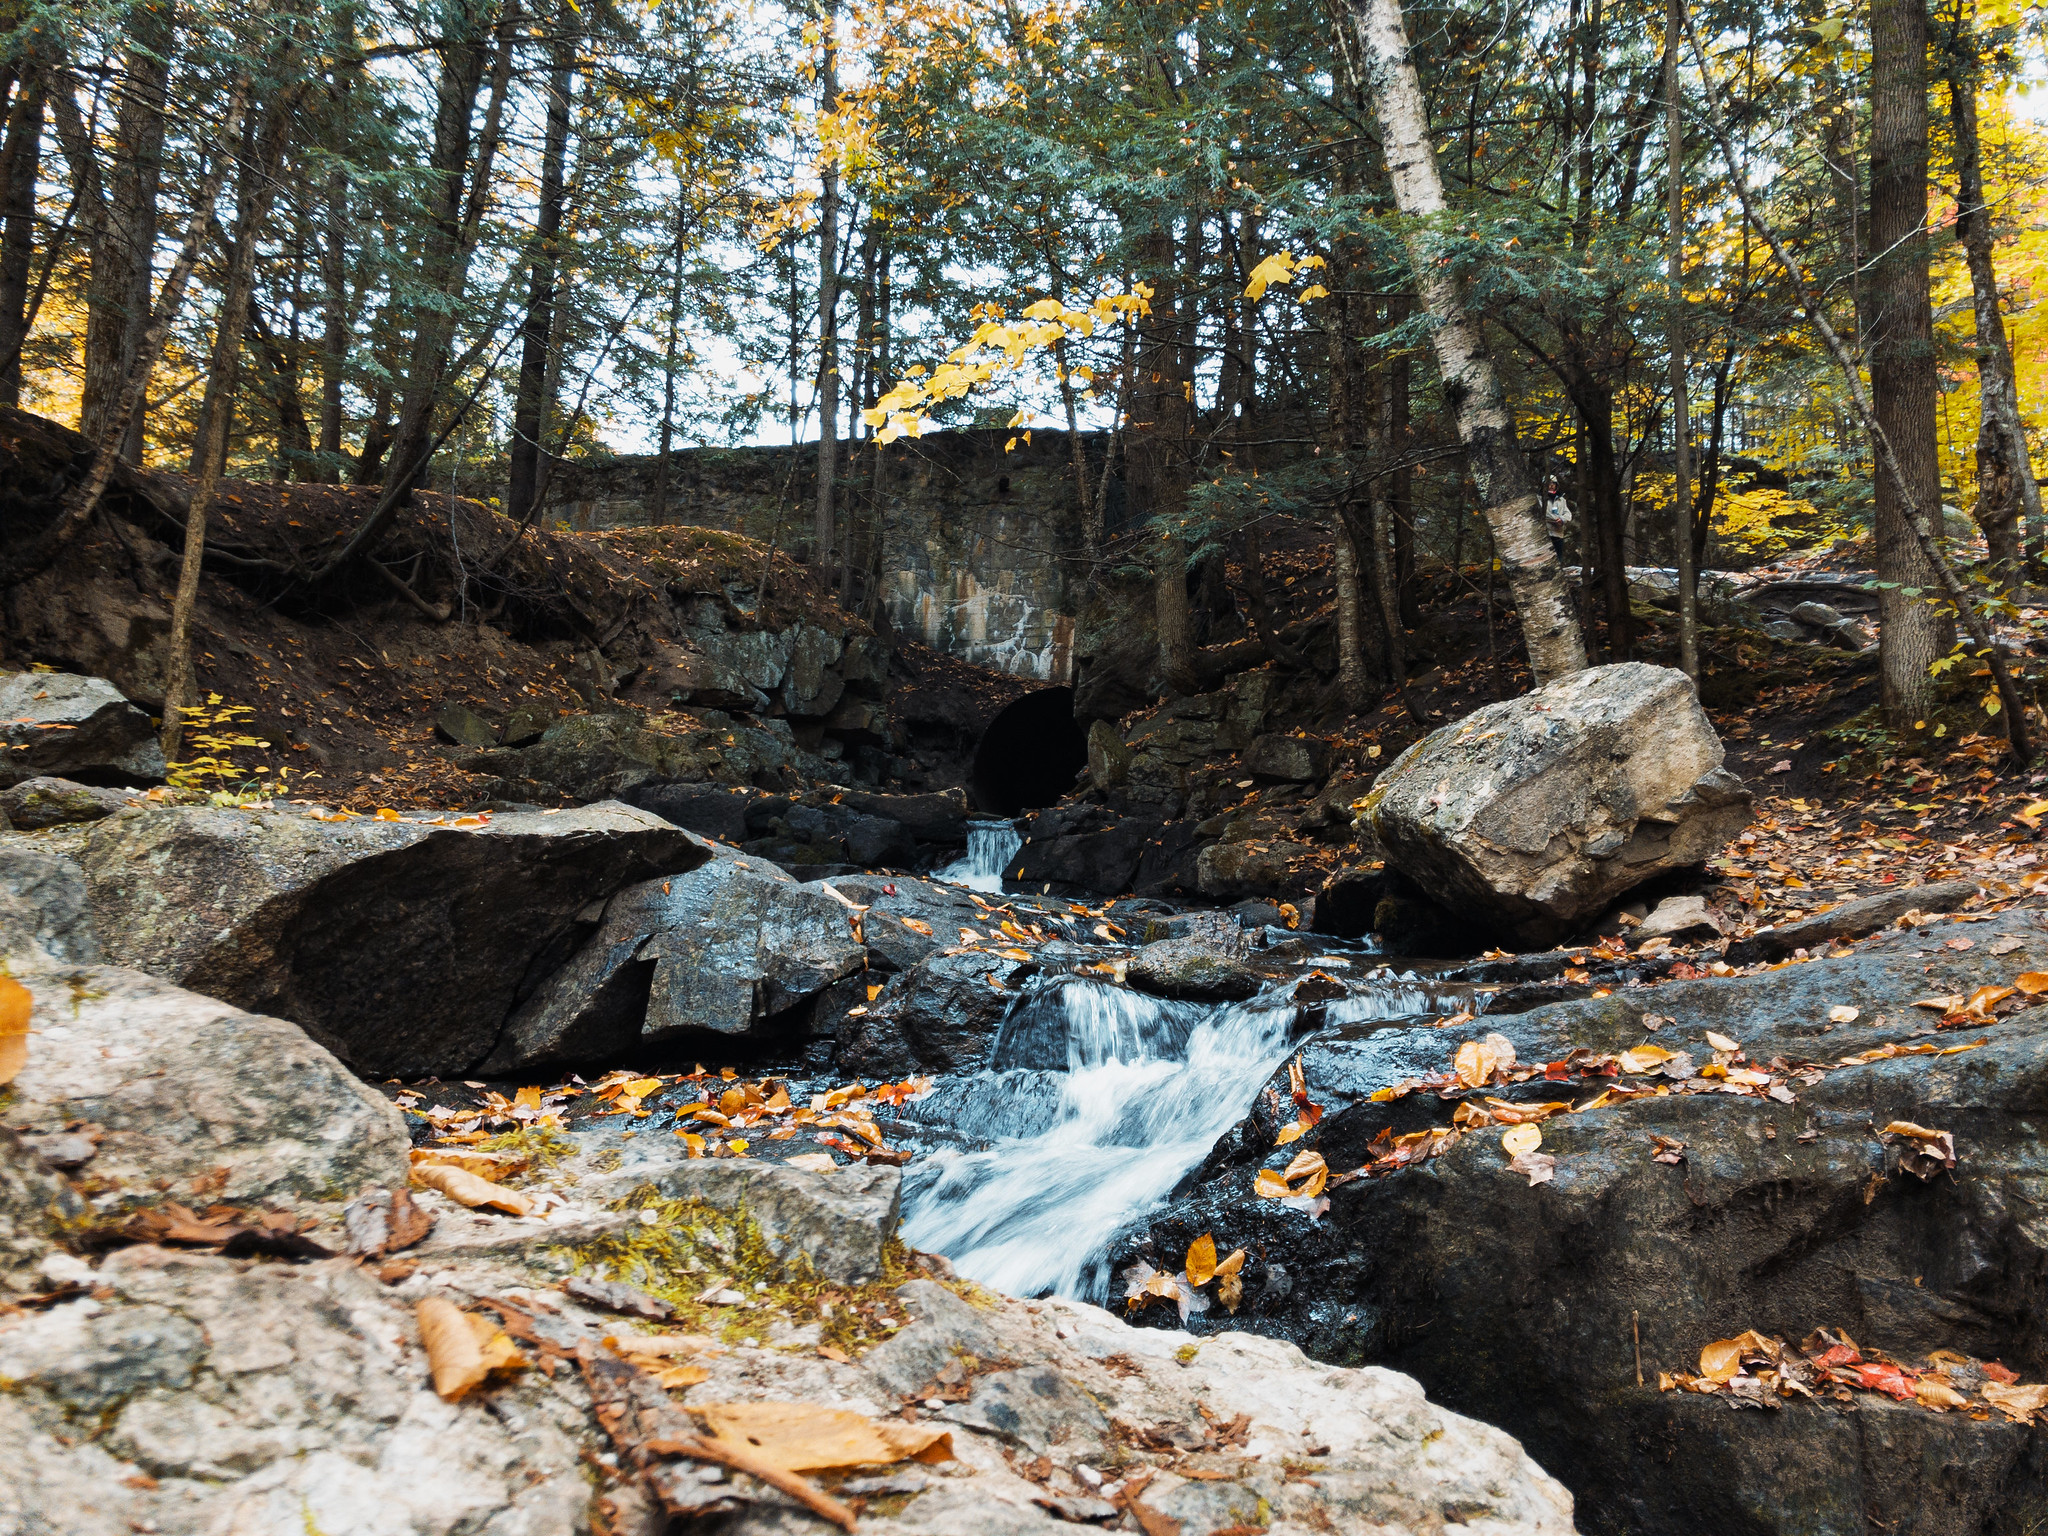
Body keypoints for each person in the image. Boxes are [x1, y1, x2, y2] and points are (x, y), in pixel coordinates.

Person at [1542, 476, 1575, 567]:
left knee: (1559, 557)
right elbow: (1544, 513)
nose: (1551, 486)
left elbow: (1568, 514)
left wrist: (1562, 520)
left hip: (1558, 533)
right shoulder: (1541, 498)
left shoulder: (1562, 500)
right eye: (1549, 483)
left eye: (1553, 484)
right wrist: (1555, 519)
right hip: (1546, 533)